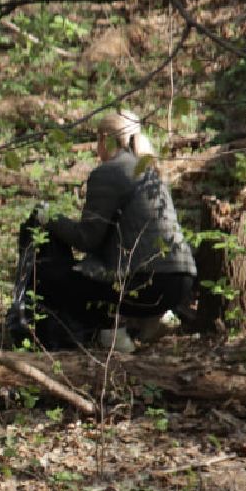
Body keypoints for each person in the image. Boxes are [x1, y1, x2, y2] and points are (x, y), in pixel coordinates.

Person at [29, 111, 196, 352]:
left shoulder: (109, 172)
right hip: (181, 280)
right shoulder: (151, 172)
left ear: (106, 139)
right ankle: (153, 319)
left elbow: (87, 239)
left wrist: (49, 217)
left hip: (149, 282)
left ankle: (113, 336)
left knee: (54, 278)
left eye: (96, 140)